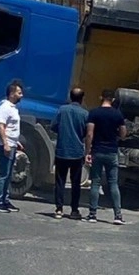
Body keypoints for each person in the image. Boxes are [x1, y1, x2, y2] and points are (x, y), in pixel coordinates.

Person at [84, 89, 127, 225]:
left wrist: (88, 152)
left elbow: (89, 134)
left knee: (95, 183)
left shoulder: (94, 113)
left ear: (101, 97)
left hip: (97, 151)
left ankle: (92, 214)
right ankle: (118, 216)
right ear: (113, 99)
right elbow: (123, 133)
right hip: (112, 152)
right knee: (113, 183)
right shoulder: (117, 114)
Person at [51, 87, 89, 220]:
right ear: (82, 99)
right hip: (77, 152)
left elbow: (54, 126)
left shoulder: (62, 110)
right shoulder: (85, 114)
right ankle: (74, 210)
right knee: (75, 182)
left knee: (60, 181)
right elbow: (86, 132)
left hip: (62, 150)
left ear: (70, 97)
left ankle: (59, 209)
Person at [0, 81, 24, 213]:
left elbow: (11, 128)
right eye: (19, 93)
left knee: (9, 173)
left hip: (11, 144)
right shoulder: (5, 107)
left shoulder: (13, 108)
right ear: (11, 94)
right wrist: (5, 143)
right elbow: (1, 126)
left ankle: (5, 199)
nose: (21, 95)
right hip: (5, 145)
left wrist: (15, 142)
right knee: (3, 173)